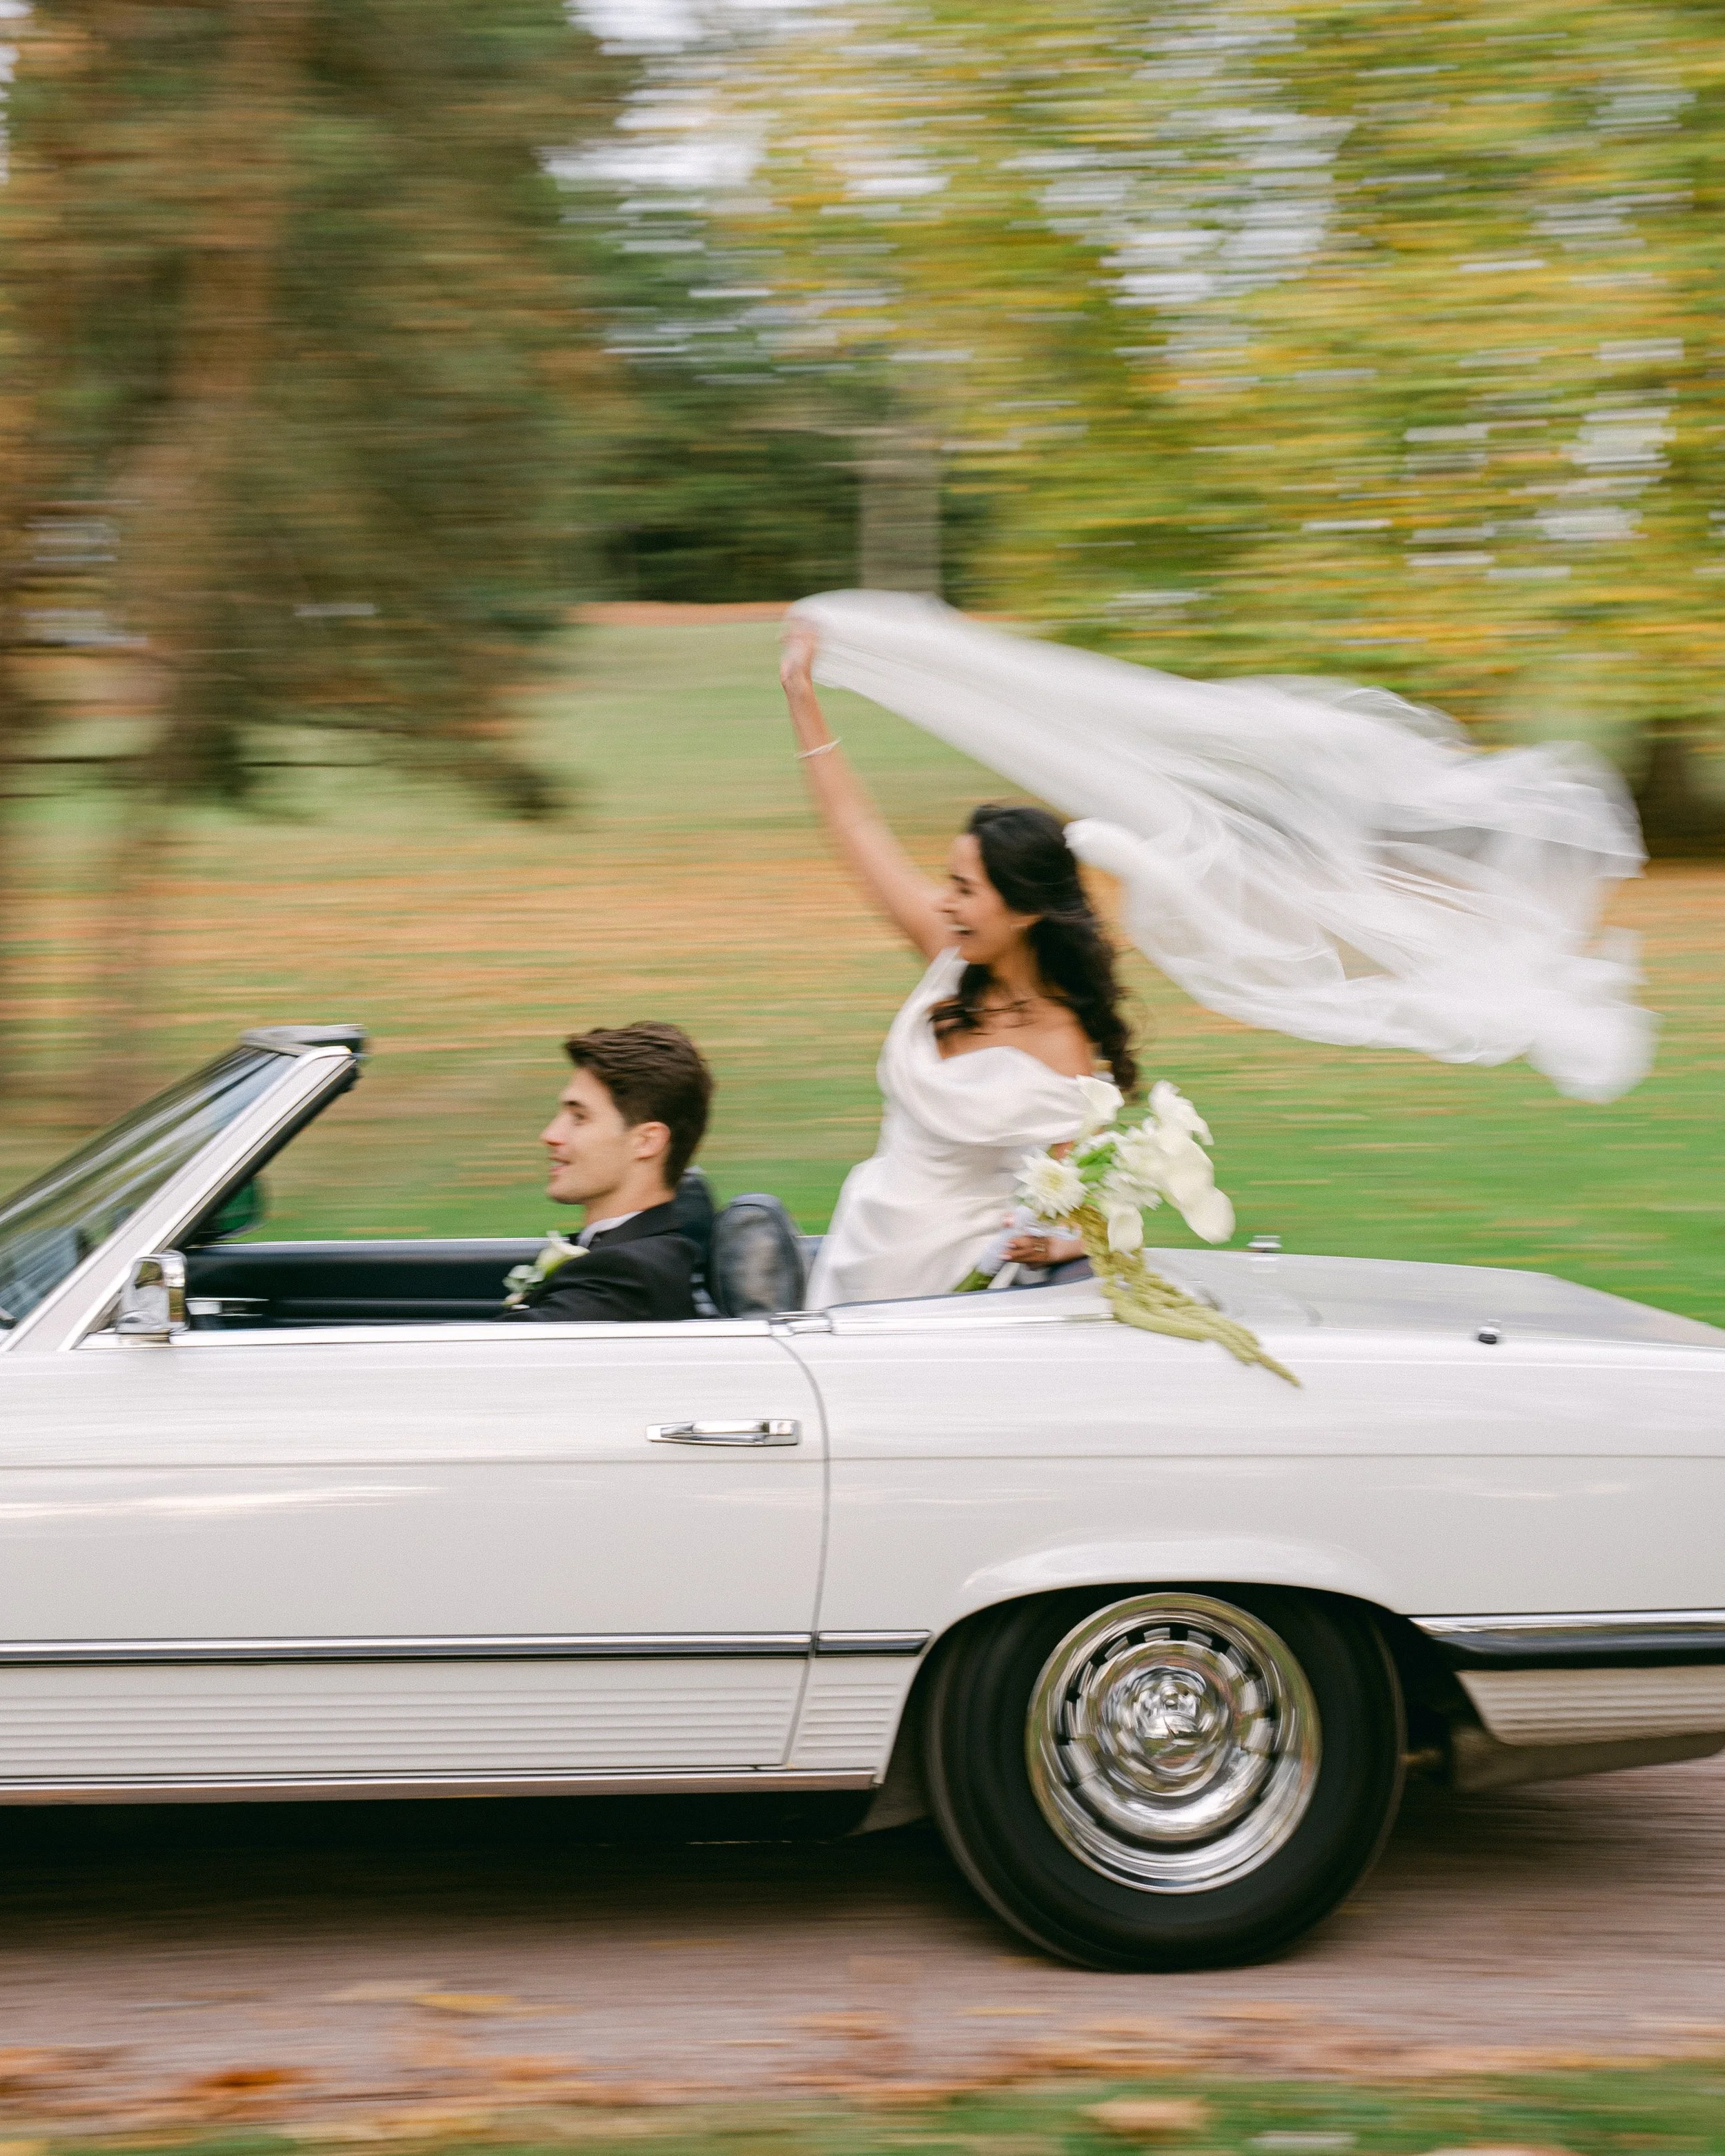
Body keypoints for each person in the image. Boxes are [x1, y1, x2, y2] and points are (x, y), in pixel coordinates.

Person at [780, 622, 1138, 1309]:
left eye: (965, 889)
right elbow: (856, 828)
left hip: (944, 1287)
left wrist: (1064, 1239)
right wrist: (801, 694)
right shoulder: (947, 954)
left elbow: (1069, 1196)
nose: (943, 902)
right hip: (861, 1245)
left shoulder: (1063, 1050)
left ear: (1025, 909)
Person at [504, 1021, 713, 1323]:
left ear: (646, 1141)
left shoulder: (626, 1277)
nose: (550, 1134)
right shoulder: (614, 1253)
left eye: (579, 1117)